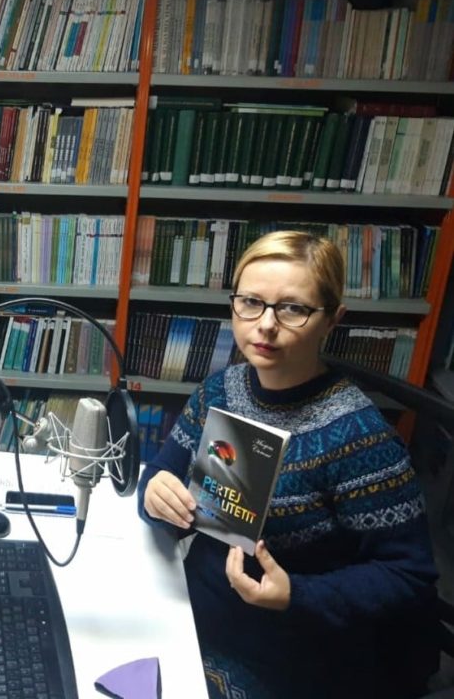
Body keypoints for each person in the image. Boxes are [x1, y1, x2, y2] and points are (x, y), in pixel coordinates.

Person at [137, 230, 440, 698]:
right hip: (193, 610)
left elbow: (408, 577)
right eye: (251, 302)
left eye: (293, 308)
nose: (265, 325)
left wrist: (296, 594)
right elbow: (160, 475)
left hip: (293, 646)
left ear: (332, 319)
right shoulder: (221, 390)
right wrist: (155, 493)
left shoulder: (360, 438)